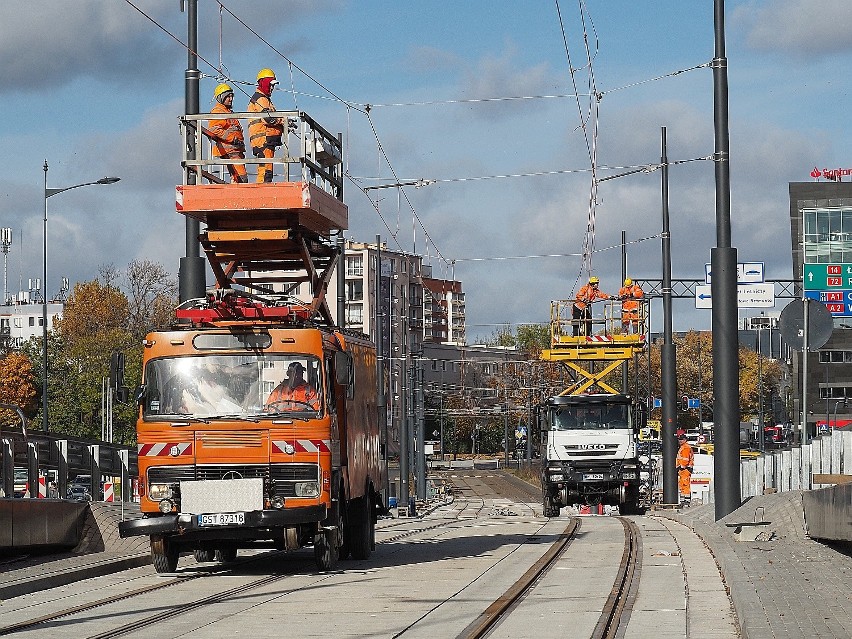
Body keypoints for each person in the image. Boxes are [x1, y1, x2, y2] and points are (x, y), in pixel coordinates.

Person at [248, 68, 285, 183]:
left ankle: (261, 192)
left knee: (265, 169)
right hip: (264, 139)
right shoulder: (261, 98)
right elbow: (267, 118)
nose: (272, 88)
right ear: (264, 83)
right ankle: (261, 193)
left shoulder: (263, 99)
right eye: (271, 85)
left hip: (264, 139)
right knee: (266, 172)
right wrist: (282, 120)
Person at [209, 83, 247, 184]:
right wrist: (232, 139)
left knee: (238, 179)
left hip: (235, 150)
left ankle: (237, 194)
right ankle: (240, 197)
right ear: (221, 97)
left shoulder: (228, 112)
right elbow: (214, 129)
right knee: (241, 179)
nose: (230, 99)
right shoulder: (218, 111)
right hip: (229, 150)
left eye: (231, 96)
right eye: (227, 96)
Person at [676, 432, 694, 506]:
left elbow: (685, 459)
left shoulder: (686, 447)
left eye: (681, 439)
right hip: (683, 470)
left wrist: (682, 466)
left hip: (685, 469)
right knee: (682, 485)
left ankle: (686, 502)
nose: (680, 441)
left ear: (685, 440)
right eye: (679, 439)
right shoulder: (683, 447)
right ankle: (683, 501)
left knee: (685, 485)